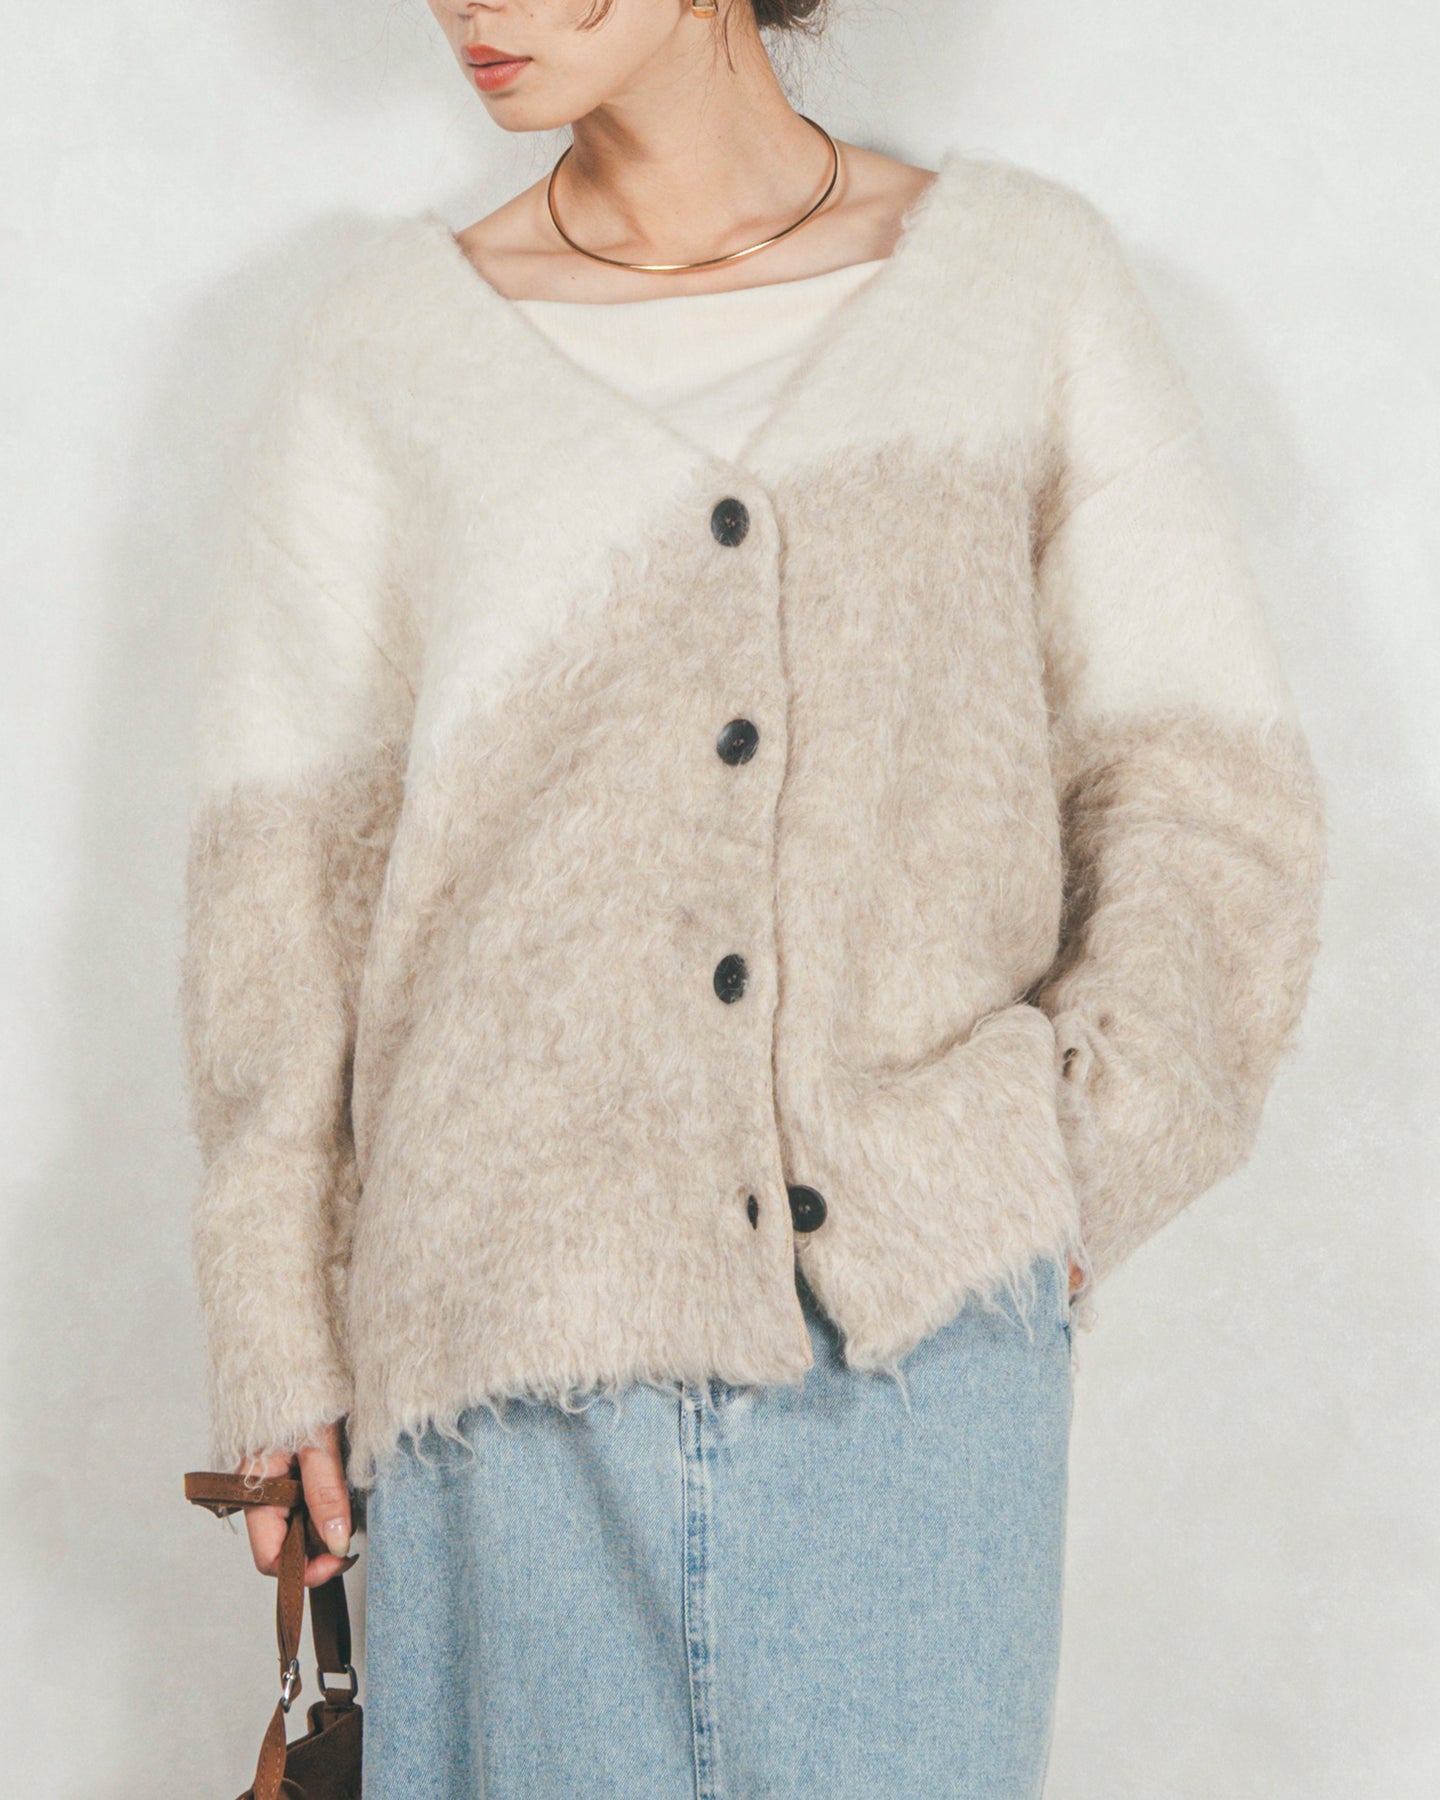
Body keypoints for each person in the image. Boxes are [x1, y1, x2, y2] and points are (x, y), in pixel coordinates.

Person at [178, 2, 1327, 1794]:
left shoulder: (1021, 291)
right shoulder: (380, 355)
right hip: (504, 1389)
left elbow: (1208, 795)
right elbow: (278, 897)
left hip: (918, 1387)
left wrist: (1048, 1173)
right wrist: (275, 1328)